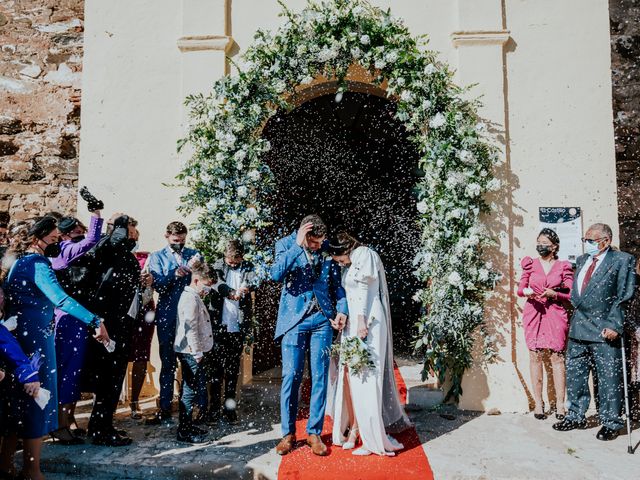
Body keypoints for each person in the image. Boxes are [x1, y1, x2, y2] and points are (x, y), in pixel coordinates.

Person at [0, 217, 108, 480]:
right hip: (35, 345)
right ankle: (32, 471)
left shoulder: (16, 262)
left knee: (18, 405)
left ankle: (5, 465)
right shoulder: (36, 263)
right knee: (37, 401)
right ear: (39, 237)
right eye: (55, 238)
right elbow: (60, 298)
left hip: (18, 340)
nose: (59, 242)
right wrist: (96, 321)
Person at [326, 231, 410, 456]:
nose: (337, 262)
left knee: (367, 379)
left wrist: (361, 321)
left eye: (337, 257)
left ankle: (373, 440)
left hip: (369, 323)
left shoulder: (364, 253)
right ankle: (362, 432)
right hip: (356, 323)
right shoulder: (352, 261)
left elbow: (364, 288)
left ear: (343, 249)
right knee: (357, 379)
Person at [271, 214, 348, 456]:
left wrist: (341, 311)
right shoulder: (286, 245)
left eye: (320, 242)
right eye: (313, 242)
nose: (317, 247)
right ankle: (288, 433)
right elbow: (275, 274)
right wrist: (297, 245)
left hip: (322, 321)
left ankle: (314, 432)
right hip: (294, 321)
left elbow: (338, 286)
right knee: (291, 376)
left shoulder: (326, 249)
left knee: (320, 376)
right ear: (304, 233)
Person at [553, 223, 636, 441]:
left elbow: (624, 296)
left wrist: (615, 325)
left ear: (605, 241)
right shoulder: (582, 261)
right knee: (576, 376)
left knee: (608, 378)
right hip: (579, 328)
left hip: (604, 330)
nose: (587, 244)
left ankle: (611, 422)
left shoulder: (622, 260)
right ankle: (576, 415)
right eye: (585, 240)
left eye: (591, 240)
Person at [83, 214, 145, 446]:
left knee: (114, 378)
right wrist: (120, 221)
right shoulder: (106, 247)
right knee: (107, 379)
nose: (133, 236)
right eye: (130, 231)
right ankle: (100, 431)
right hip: (108, 325)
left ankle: (103, 425)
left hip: (122, 324)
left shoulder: (124, 254)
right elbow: (111, 241)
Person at [51, 192, 104, 443]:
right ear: (65, 235)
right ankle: (61, 427)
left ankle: (68, 422)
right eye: (76, 229)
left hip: (68, 317)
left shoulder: (59, 251)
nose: (80, 232)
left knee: (70, 371)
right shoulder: (67, 250)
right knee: (69, 372)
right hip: (71, 318)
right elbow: (93, 238)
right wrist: (96, 214)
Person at [516, 228, 573, 420]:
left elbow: (572, 294)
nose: (540, 246)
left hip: (555, 314)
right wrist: (528, 293)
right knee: (536, 356)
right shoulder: (530, 264)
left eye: (545, 243)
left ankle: (560, 405)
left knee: (557, 358)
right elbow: (520, 290)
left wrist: (555, 294)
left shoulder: (564, 266)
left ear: (554, 246)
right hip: (534, 312)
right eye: (538, 242)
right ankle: (539, 404)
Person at [147, 222, 200, 424]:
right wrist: (174, 274)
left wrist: (195, 269)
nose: (180, 244)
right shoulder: (157, 257)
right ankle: (165, 408)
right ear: (167, 236)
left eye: (182, 240)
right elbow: (158, 285)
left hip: (189, 315)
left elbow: (201, 280)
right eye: (176, 241)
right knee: (168, 363)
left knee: (191, 363)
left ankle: (192, 408)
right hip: (168, 315)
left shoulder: (194, 254)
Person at [205, 239, 255, 424]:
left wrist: (247, 287)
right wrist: (230, 292)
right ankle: (213, 409)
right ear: (225, 257)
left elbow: (255, 280)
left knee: (233, 371)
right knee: (216, 371)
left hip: (238, 326)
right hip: (219, 326)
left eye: (236, 261)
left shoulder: (248, 266)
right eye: (230, 261)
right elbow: (216, 283)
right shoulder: (217, 265)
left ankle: (230, 409)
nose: (233, 264)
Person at [174, 259, 214, 443]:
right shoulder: (190, 298)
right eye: (206, 286)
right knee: (189, 391)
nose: (208, 290)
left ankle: (188, 425)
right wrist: (197, 352)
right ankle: (184, 431)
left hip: (193, 351)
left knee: (192, 389)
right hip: (190, 351)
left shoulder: (195, 296)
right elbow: (190, 327)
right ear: (196, 280)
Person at [128, 250, 156, 419]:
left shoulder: (149, 257)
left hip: (145, 310)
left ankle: (134, 401)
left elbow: (157, 281)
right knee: (115, 357)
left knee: (141, 357)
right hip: (122, 308)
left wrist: (150, 280)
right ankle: (108, 402)